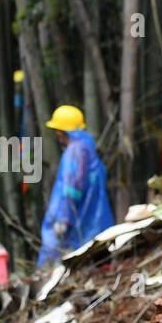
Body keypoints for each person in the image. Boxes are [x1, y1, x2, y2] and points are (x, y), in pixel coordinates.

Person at [37, 105, 115, 267]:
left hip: (77, 221)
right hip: (91, 219)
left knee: (59, 261)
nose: (56, 134)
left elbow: (72, 189)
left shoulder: (75, 151)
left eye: (57, 129)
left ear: (63, 131)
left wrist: (64, 219)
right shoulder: (87, 146)